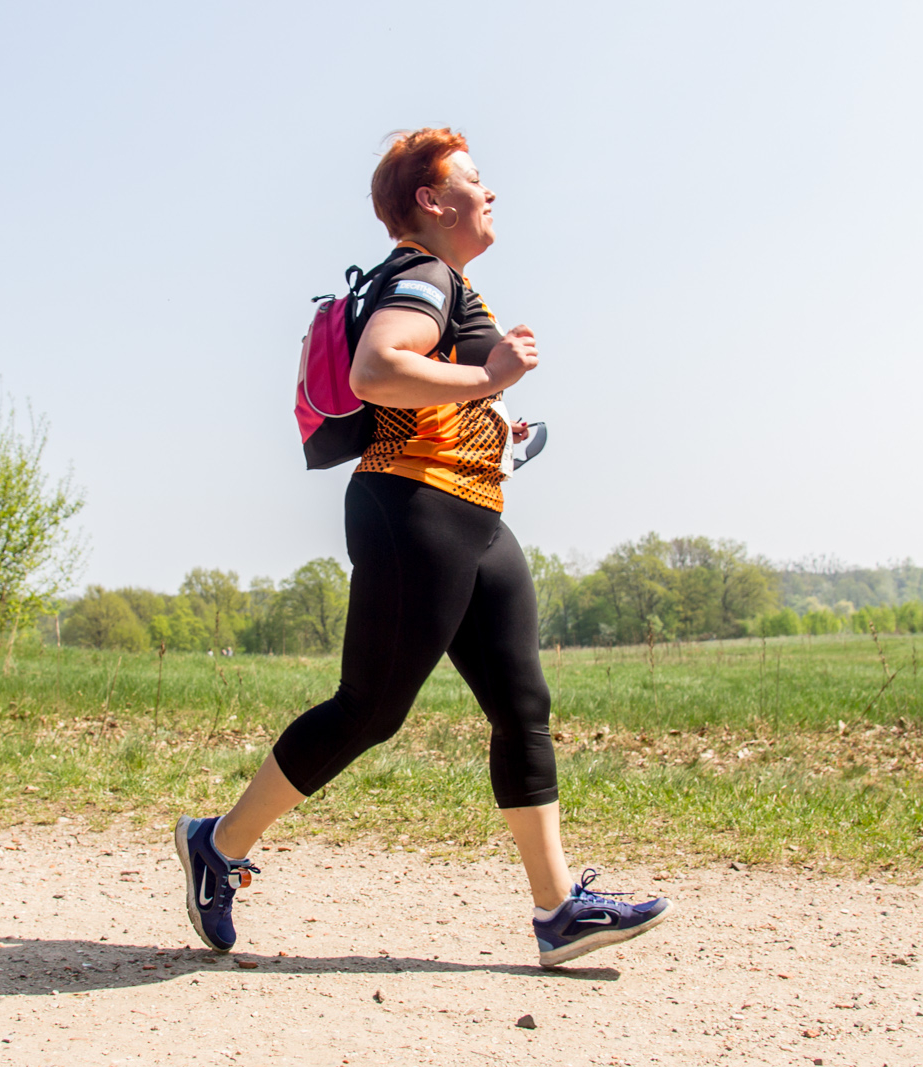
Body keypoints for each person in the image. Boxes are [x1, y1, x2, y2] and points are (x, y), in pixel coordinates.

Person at [176, 128, 672, 968]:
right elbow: (378, 369)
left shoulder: (445, 282)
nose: (490, 192)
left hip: (472, 509)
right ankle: (216, 845)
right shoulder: (422, 272)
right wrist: (489, 376)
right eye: (473, 180)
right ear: (430, 202)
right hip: (413, 507)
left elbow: (421, 381)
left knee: (522, 704)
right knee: (370, 709)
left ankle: (559, 912)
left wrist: (487, 415)